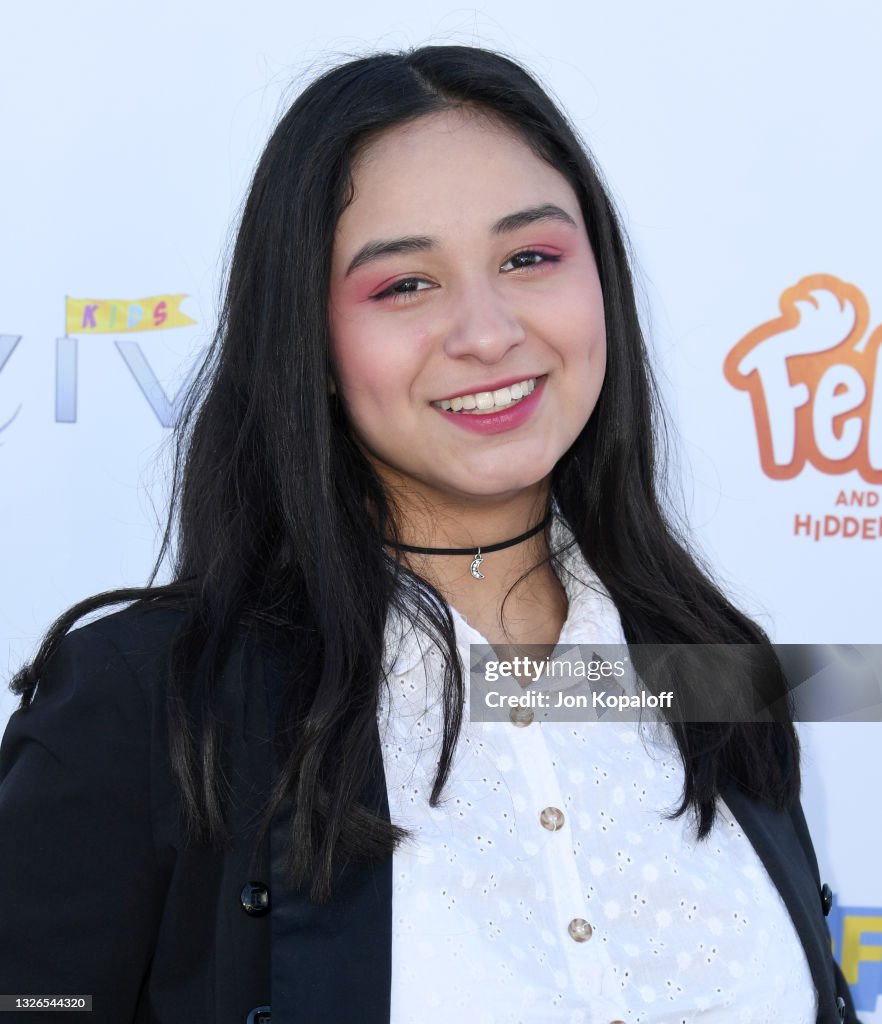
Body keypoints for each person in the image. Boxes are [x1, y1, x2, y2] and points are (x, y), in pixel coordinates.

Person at [0, 45, 858, 1024]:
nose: (487, 331)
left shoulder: (714, 667)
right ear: (310, 343)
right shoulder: (150, 704)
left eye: (529, 258)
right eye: (405, 284)